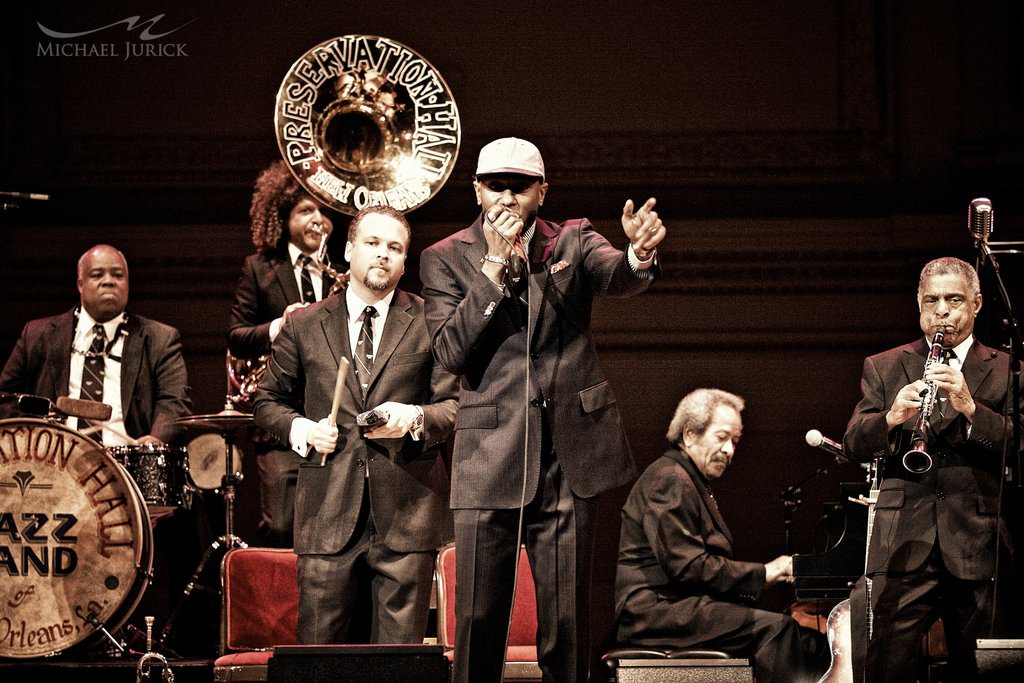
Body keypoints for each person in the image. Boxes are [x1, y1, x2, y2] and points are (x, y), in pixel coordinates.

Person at [419, 137, 665, 683]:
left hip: (567, 456)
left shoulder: (572, 239)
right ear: (478, 190)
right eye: (496, 185)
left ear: (541, 192)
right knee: (479, 618)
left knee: (567, 622)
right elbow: (450, 352)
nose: (508, 197)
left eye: (520, 186)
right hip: (489, 453)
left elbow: (614, 273)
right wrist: (491, 270)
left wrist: (638, 254)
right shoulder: (443, 257)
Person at [253, 204, 458, 645]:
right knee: (321, 661)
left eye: (394, 247)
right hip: (327, 512)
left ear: (406, 260)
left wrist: (415, 418)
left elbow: (455, 406)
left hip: (407, 513)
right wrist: (304, 431)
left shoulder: (431, 320)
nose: (382, 254)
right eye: (372, 243)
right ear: (348, 250)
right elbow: (267, 402)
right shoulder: (304, 324)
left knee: (397, 667)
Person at [844, 256, 1021, 682]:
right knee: (888, 666)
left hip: (978, 542)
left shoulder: (1008, 369)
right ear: (919, 304)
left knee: (980, 671)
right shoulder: (884, 365)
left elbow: (1018, 445)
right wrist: (890, 418)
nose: (941, 310)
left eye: (953, 299)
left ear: (977, 303)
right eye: (932, 300)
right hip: (904, 540)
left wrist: (971, 409)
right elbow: (853, 441)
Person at [614, 388, 829, 683]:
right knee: (778, 629)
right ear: (689, 435)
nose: (730, 450)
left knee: (806, 640)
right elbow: (689, 567)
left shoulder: (686, 478)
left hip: (678, 604)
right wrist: (766, 572)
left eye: (735, 441)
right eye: (722, 437)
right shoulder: (670, 480)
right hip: (654, 612)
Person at [228, 160, 343, 547]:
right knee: (280, 527)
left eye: (324, 210)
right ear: (282, 216)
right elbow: (236, 336)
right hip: (283, 424)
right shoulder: (259, 269)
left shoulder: (342, 270)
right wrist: (280, 324)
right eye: (306, 210)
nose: (318, 219)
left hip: (334, 417)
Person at [0, 243, 192, 444]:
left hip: (128, 464)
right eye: (97, 275)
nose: (108, 281)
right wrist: (27, 437)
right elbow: (5, 398)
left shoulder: (160, 338)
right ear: (80, 284)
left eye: (118, 275)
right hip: (54, 459)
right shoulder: (38, 335)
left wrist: (155, 440)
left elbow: (174, 403)